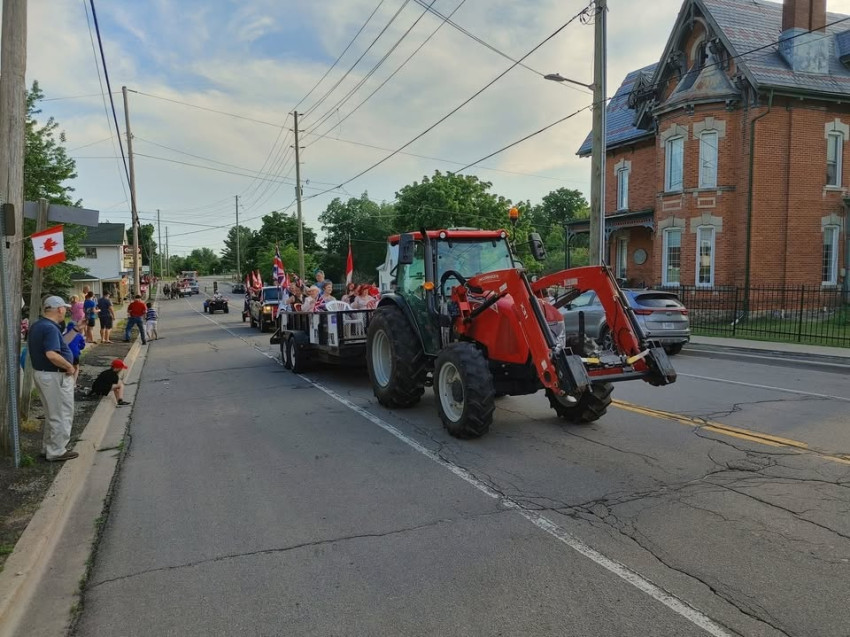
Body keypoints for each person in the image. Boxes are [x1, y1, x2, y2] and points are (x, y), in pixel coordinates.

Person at [28, 296, 78, 462]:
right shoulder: (50, 328)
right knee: (62, 413)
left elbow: (59, 344)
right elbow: (52, 354)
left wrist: (76, 331)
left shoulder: (39, 325)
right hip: (54, 374)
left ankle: (48, 447)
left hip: (43, 374)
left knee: (52, 413)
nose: (65, 311)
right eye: (64, 308)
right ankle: (57, 450)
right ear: (59, 309)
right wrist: (69, 367)